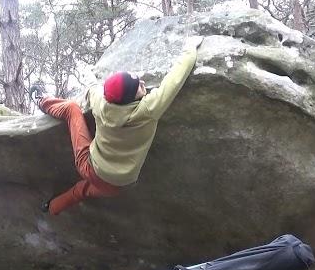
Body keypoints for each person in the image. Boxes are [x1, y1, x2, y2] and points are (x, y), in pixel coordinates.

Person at [31, 35, 204, 215]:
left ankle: (41, 100)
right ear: (129, 99)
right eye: (138, 86)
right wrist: (190, 48)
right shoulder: (149, 110)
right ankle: (51, 208)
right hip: (119, 184)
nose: (142, 83)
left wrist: (88, 74)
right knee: (81, 191)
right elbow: (174, 80)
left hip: (90, 169)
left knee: (72, 108)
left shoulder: (101, 104)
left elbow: (92, 88)